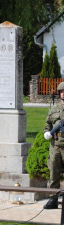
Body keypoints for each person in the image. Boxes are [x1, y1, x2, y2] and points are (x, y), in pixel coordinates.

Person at [43, 81, 64, 209]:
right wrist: (47, 133)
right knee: (53, 174)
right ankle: (53, 199)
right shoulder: (54, 110)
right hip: (55, 146)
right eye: (62, 91)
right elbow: (47, 126)